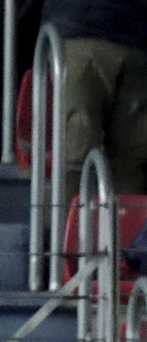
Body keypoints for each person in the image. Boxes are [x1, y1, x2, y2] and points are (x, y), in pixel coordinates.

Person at [44, 0, 147, 200]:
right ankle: (74, 227)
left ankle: (70, 226)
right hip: (120, 37)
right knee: (128, 164)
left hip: (81, 31)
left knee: (78, 157)